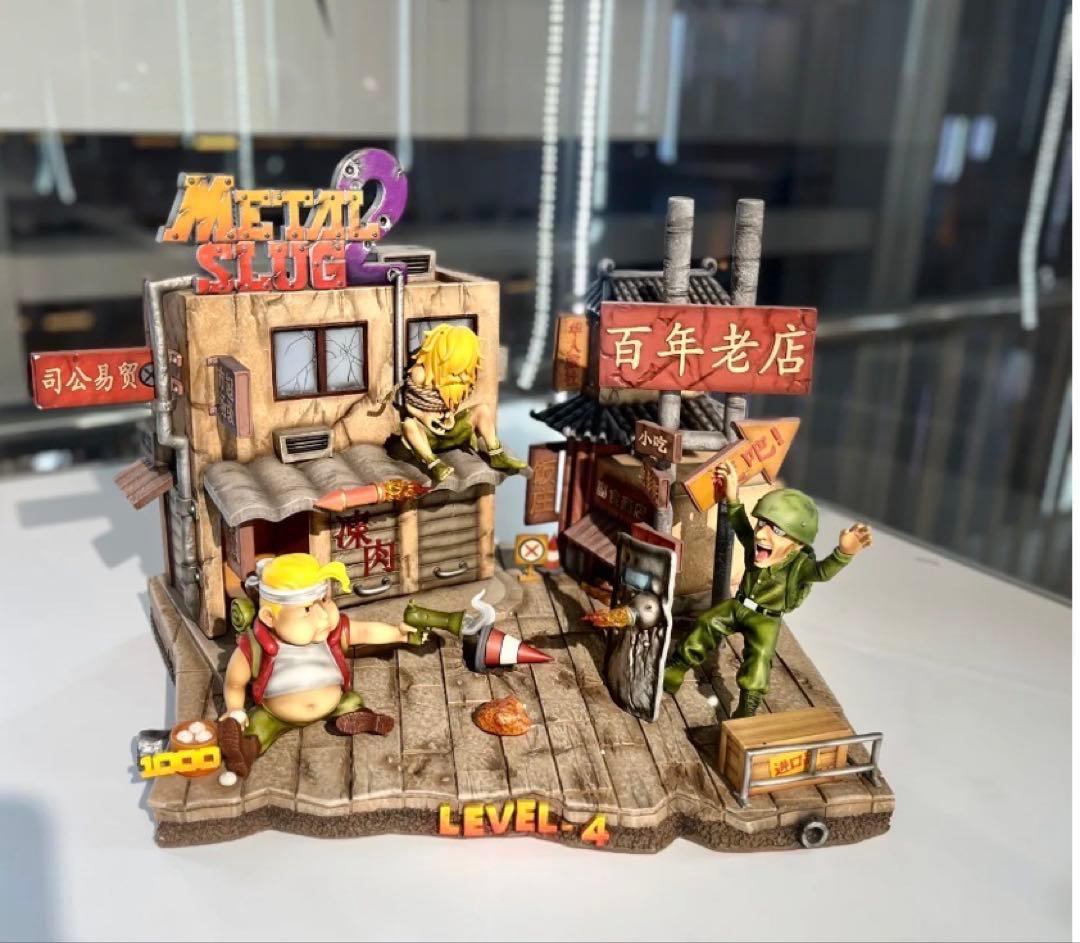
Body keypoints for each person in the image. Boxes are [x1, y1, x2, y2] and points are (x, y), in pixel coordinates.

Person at [663, 460, 872, 718]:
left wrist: (843, 553)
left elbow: (822, 572)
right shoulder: (755, 546)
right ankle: (676, 667)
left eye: (777, 530)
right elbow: (740, 524)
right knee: (707, 623)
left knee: (760, 659)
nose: (762, 534)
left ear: (797, 543)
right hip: (739, 605)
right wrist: (732, 496)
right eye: (762, 524)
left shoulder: (798, 566)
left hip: (766, 620)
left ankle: (747, 705)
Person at [217, 554, 414, 778]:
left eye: (325, 601)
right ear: (270, 617)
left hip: (334, 702)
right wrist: (234, 709)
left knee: (351, 701)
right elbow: (234, 682)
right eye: (307, 610)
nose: (323, 618)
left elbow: (365, 631)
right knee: (257, 725)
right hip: (275, 714)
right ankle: (244, 749)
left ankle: (360, 717)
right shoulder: (255, 646)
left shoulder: (330, 633)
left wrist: (398, 633)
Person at [389, 323, 526, 482]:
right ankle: (434, 464)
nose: (461, 372)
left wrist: (450, 415)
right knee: (409, 425)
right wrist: (424, 417)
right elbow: (409, 402)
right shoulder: (420, 374)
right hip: (429, 436)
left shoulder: (460, 377)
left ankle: (497, 455)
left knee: (482, 409)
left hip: (453, 430)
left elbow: (453, 401)